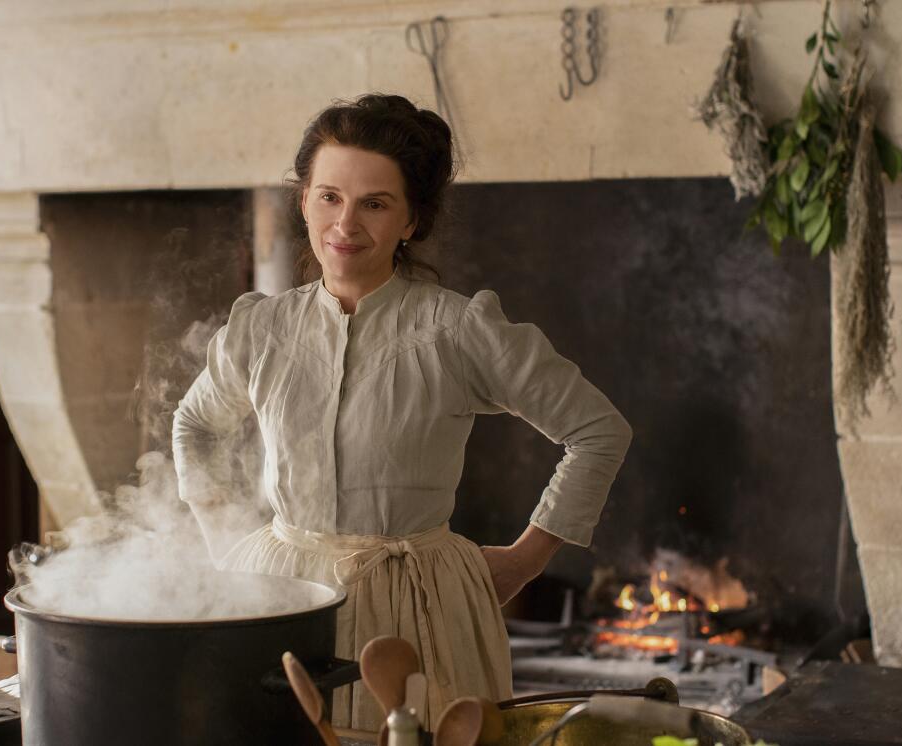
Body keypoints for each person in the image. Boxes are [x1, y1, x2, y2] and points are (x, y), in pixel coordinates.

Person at [172, 93, 632, 730]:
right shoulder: (261, 329)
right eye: (329, 196)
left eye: (375, 203)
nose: (346, 224)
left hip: (419, 608)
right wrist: (226, 544)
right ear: (303, 199)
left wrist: (526, 559)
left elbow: (598, 430)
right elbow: (194, 425)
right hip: (278, 601)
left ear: (412, 221)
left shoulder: (459, 330)